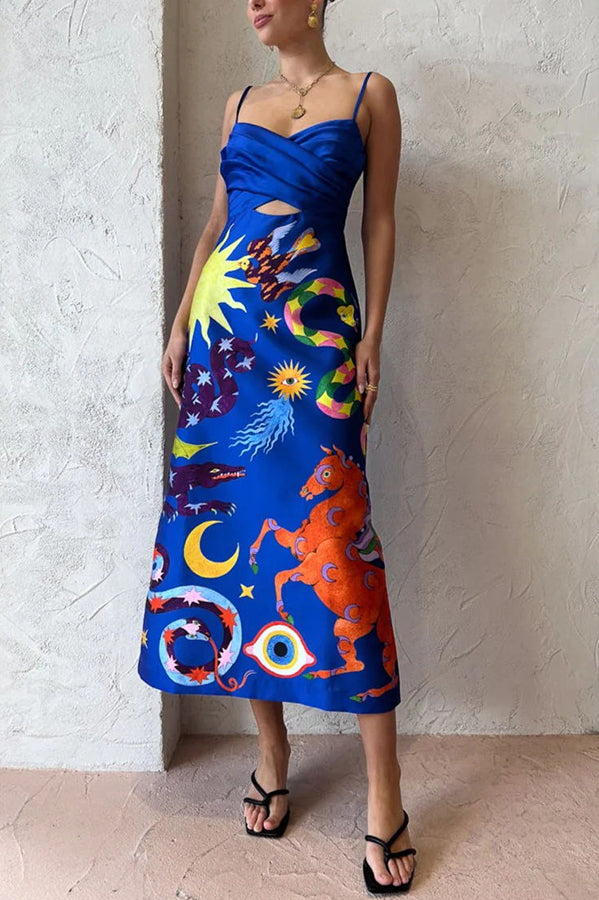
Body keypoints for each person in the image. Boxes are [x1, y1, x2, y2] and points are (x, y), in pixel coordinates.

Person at [137, 0, 415, 892]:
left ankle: (386, 793)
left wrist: (372, 335)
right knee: (242, 547)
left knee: (339, 542)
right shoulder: (236, 104)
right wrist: (181, 320)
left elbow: (377, 221)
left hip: (316, 344)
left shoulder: (369, 95)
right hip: (226, 350)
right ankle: (271, 751)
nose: (254, 1)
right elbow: (218, 225)